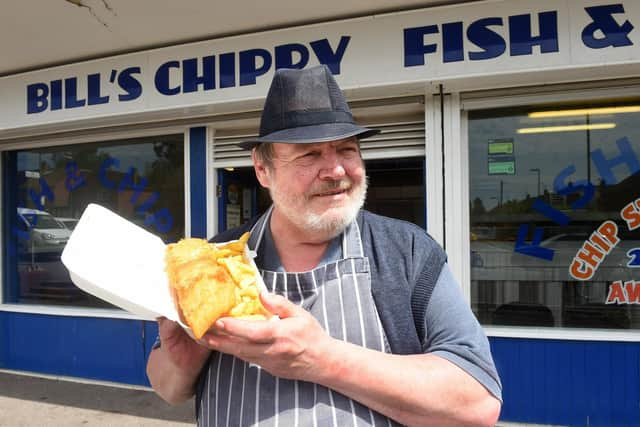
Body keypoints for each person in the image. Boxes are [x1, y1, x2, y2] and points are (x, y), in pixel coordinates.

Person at [147, 65, 502, 426]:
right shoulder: (215, 261)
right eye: (308, 154)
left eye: (346, 149)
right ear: (262, 169)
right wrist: (182, 361)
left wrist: (321, 358)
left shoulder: (406, 252)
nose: (335, 170)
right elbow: (168, 390)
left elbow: (477, 404)